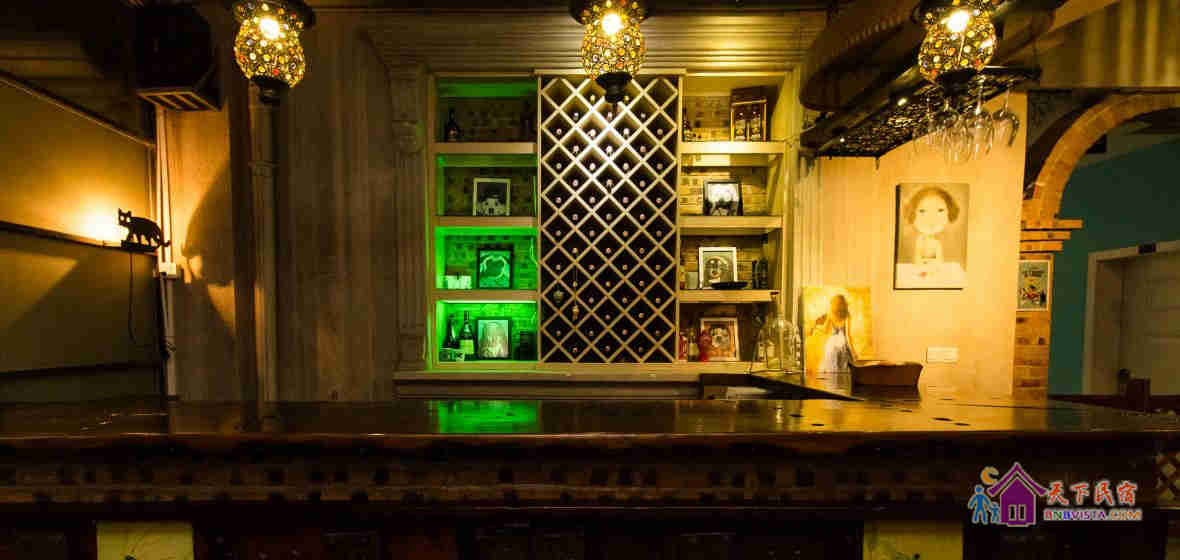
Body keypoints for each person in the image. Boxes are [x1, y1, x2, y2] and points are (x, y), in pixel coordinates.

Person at [904, 186, 960, 265]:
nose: (931, 220)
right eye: (922, 211)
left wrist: (935, 265)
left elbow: (939, 259)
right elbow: (917, 257)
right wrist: (920, 264)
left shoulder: (937, 242)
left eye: (940, 210)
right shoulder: (920, 240)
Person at [808, 294, 856, 372]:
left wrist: (815, 327)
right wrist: (853, 352)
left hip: (832, 342)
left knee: (832, 365)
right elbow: (848, 336)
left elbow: (825, 330)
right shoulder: (847, 316)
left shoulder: (831, 315)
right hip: (842, 341)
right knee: (842, 366)